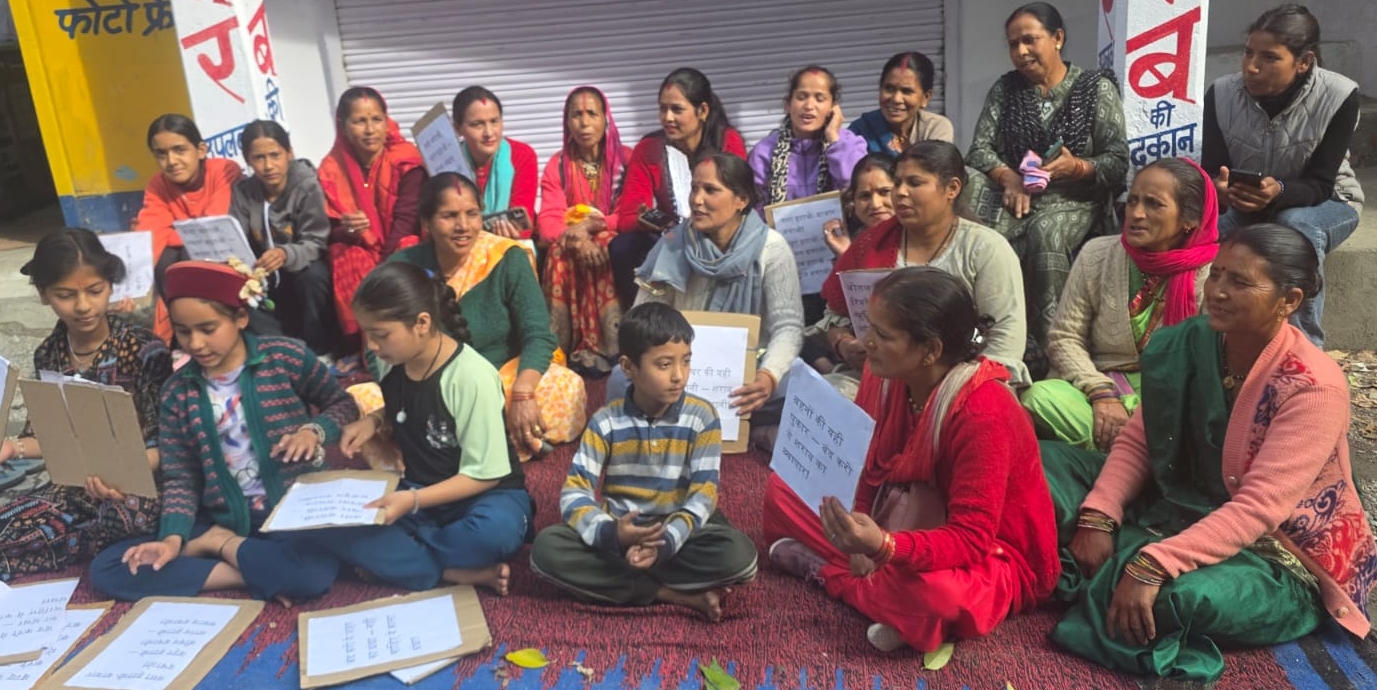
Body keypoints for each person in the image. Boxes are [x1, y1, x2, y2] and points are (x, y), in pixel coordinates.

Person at [1043, 223, 1377, 682]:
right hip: (1173, 504)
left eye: (1239, 282)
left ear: (1290, 300)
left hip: (1271, 554)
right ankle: (1102, 561)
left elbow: (1259, 508)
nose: (1217, 291)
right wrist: (1099, 515)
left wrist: (1155, 564)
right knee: (1040, 467)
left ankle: (1095, 566)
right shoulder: (1189, 343)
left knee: (1173, 600)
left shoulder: (1312, 387)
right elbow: (1141, 440)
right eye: (1216, 274)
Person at [89, 261, 439, 602]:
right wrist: (171, 540)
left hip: (290, 517)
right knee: (109, 568)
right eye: (183, 331)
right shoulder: (178, 392)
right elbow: (181, 476)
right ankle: (238, 558)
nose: (195, 343)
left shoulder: (284, 357)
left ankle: (223, 549)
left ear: (240, 318)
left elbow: (341, 403)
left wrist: (314, 431)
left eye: (208, 329)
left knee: (312, 575)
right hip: (224, 518)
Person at [764, 267, 1059, 652]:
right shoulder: (883, 374)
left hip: (988, 555)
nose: (866, 343)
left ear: (931, 350)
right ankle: (887, 604)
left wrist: (883, 546)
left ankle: (828, 574)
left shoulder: (985, 411)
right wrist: (861, 533)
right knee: (783, 489)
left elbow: (971, 538)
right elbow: (867, 465)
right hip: (897, 514)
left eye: (883, 335)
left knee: (935, 596)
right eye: (869, 328)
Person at [529, 302, 758, 621]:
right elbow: (574, 493)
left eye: (686, 361)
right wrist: (613, 534)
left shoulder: (702, 416)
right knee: (546, 550)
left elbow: (704, 494)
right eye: (664, 364)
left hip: (679, 531)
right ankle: (670, 593)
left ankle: (624, 580)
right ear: (628, 367)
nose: (679, 376)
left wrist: (665, 544)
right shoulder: (606, 421)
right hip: (622, 531)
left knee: (740, 556)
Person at [336, 263, 534, 595]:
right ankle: (454, 572)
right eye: (367, 334)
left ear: (422, 323)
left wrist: (411, 501)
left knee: (491, 535)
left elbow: (485, 474)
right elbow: (414, 403)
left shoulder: (471, 376)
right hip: (422, 494)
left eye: (381, 335)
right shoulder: (392, 361)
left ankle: (407, 561)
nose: (372, 345)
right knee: (344, 525)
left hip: (486, 497)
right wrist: (374, 420)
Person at [0, 229, 172, 577]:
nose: (82, 306)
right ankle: (70, 542)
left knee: (124, 517)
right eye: (65, 295)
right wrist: (12, 447)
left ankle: (69, 543)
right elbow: (51, 436)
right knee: (7, 525)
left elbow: (168, 442)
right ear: (43, 294)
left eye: (95, 291)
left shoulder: (143, 349)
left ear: (110, 285)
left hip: (140, 486)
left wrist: (118, 477)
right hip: (76, 488)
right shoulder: (49, 352)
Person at [965, 2, 1129, 360]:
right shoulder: (1006, 89)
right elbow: (978, 149)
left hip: (1075, 198)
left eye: (1029, 40)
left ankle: (1054, 349)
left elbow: (1117, 162)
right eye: (1013, 44)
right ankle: (992, 340)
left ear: (1057, 38)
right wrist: (1008, 177)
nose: (1021, 52)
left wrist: (1078, 167)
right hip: (1017, 195)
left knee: (1046, 232)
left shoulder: (1095, 88)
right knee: (983, 230)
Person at [1021, 158, 1218, 450]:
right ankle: (1134, 453)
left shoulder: (1215, 272)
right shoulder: (1097, 254)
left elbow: (1212, 361)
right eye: (1132, 201)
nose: (1136, 214)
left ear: (1189, 219)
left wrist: (1151, 410)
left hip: (1172, 400)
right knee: (1040, 398)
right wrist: (1101, 393)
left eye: (1154, 204)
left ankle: (1120, 452)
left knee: (1188, 425)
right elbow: (1064, 337)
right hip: (1099, 390)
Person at [390, 173, 587, 460]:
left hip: (501, 379)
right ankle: (496, 442)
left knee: (566, 388)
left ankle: (449, 446)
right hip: (431, 385)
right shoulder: (403, 267)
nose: (463, 226)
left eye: (472, 214)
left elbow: (539, 335)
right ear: (427, 222)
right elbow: (379, 343)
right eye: (449, 216)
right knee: (365, 400)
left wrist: (523, 394)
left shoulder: (506, 257)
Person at [1202, 3, 1364, 348]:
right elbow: (1213, 167)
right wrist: (1221, 189)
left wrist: (1279, 191)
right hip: (1247, 204)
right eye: (1248, 52)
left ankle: (1303, 349)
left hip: (1329, 202)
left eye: (1269, 57)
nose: (1252, 66)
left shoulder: (1340, 95)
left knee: (1294, 227)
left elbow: (1322, 183)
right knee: (1200, 230)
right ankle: (1203, 342)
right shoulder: (1222, 93)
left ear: (1304, 61)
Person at [820, 141, 1030, 386]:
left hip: (965, 382)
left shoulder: (985, 248)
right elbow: (834, 315)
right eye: (897, 182)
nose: (900, 192)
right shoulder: (870, 244)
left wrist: (956, 388)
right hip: (878, 379)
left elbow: (1004, 339)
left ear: (951, 188)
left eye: (914, 183)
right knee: (823, 396)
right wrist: (844, 344)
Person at [621, 153, 804, 418]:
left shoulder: (772, 248)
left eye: (710, 190)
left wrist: (768, 376)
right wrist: (660, 366)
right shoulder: (672, 244)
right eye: (694, 188)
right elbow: (643, 317)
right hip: (678, 366)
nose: (697, 200)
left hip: (751, 364)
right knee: (620, 380)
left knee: (795, 388)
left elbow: (788, 326)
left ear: (741, 200)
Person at [609, 68, 748, 309]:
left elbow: (737, 204)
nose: (667, 118)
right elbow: (628, 216)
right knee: (623, 246)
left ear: (702, 111)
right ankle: (647, 318)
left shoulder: (727, 141)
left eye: (677, 109)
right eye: (662, 109)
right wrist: (649, 221)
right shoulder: (649, 148)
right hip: (671, 235)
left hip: (720, 232)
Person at [318, 86, 427, 349]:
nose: (370, 130)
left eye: (376, 119)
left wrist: (384, 266)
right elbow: (328, 230)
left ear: (386, 121)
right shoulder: (332, 168)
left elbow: (407, 220)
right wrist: (348, 230)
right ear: (343, 127)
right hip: (364, 248)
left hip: (397, 246)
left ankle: (407, 339)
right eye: (359, 121)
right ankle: (365, 346)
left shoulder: (406, 160)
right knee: (344, 254)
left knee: (408, 246)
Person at [538, 86, 633, 374]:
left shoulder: (626, 161)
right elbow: (548, 222)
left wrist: (593, 226)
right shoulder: (558, 165)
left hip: (614, 237)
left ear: (606, 119)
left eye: (592, 114)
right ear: (567, 122)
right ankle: (558, 348)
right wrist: (578, 241)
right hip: (572, 243)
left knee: (604, 243)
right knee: (558, 252)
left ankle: (611, 346)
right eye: (576, 115)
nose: (584, 123)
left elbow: (630, 213)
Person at [228, 119, 338, 358]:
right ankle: (278, 349)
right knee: (237, 285)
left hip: (299, 271)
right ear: (247, 160)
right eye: (259, 158)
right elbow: (237, 236)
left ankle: (318, 350)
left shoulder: (307, 186)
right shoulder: (243, 192)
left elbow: (316, 241)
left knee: (313, 275)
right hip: (265, 275)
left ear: (289, 153)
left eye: (275, 155)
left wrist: (286, 254)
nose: (269, 166)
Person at [136, 114, 244, 342]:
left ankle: (214, 329)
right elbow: (150, 236)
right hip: (187, 258)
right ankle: (184, 333)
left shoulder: (224, 170)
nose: (171, 161)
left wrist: (172, 232)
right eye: (161, 154)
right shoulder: (158, 184)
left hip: (227, 256)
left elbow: (211, 227)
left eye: (179, 150)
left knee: (187, 254)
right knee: (165, 261)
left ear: (201, 150)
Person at [453, 86, 539, 240]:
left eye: (494, 121)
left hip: (513, 243)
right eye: (477, 124)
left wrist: (510, 236)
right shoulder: (448, 162)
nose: (489, 133)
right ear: (458, 128)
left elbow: (523, 224)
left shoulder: (521, 156)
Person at [848, 52, 955, 154]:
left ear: (925, 98)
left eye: (907, 91)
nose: (896, 99)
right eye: (889, 89)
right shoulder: (861, 130)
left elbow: (934, 165)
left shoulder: (934, 127)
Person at [821, 153, 898, 260]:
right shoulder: (855, 244)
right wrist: (846, 255)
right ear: (853, 201)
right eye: (865, 196)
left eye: (884, 192)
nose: (875, 205)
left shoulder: (917, 240)